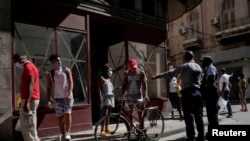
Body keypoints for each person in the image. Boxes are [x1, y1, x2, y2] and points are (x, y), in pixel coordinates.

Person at [152, 51, 204, 141]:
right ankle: (201, 136)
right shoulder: (199, 67)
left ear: (185, 58)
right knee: (198, 116)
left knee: (188, 116)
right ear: (193, 57)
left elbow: (172, 73)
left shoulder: (185, 66)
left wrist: (158, 76)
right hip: (198, 93)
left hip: (188, 93)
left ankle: (191, 137)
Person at [13, 53, 40, 141]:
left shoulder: (28, 67)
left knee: (27, 124)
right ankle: (34, 139)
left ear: (20, 59)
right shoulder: (30, 66)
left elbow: (31, 84)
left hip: (30, 99)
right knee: (31, 122)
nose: (15, 63)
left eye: (15, 61)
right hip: (31, 98)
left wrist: (27, 102)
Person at [46, 54, 74, 141]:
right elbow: (49, 87)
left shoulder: (66, 70)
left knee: (68, 114)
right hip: (58, 98)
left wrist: (69, 93)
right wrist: (48, 100)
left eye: (59, 60)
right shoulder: (51, 74)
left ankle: (68, 134)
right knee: (60, 116)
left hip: (67, 97)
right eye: (57, 61)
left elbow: (71, 82)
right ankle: (62, 134)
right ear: (53, 62)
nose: (59, 62)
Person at [121, 58, 149, 129]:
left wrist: (145, 95)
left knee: (140, 113)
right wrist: (122, 94)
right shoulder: (126, 73)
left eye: (135, 68)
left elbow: (145, 84)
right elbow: (124, 84)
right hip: (129, 96)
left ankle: (141, 127)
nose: (134, 69)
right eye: (132, 68)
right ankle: (131, 127)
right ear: (129, 67)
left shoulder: (141, 72)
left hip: (139, 96)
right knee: (130, 113)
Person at [199, 56, 220, 140]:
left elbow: (211, 80)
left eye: (203, 61)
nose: (202, 63)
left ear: (207, 62)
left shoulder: (211, 68)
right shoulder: (207, 69)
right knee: (211, 115)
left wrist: (204, 85)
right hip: (209, 94)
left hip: (211, 93)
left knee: (213, 115)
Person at [97, 64, 115, 136]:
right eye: (108, 70)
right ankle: (102, 130)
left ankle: (106, 129)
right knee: (105, 114)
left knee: (108, 115)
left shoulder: (109, 79)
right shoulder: (101, 78)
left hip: (111, 97)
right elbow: (99, 88)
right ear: (105, 71)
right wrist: (100, 97)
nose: (110, 71)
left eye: (110, 70)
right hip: (105, 97)